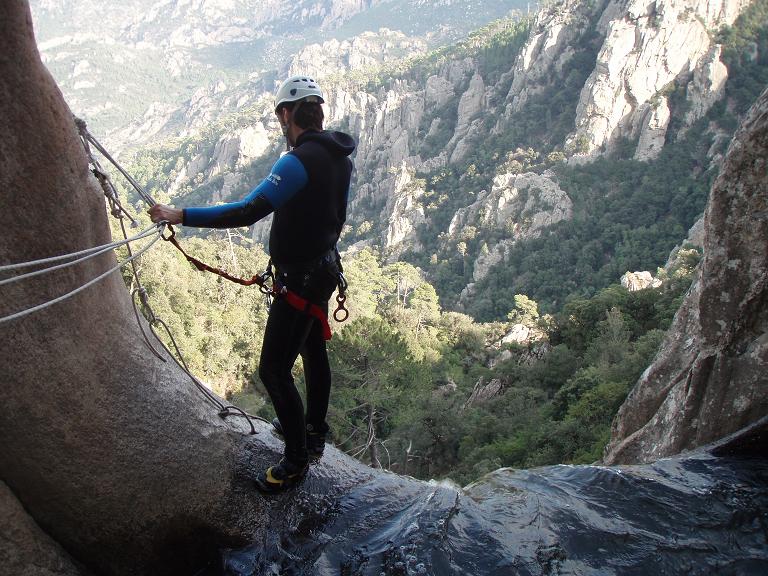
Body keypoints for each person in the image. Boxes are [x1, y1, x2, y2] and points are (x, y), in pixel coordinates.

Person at [149, 75, 355, 493]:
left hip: (300, 279)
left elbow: (247, 211)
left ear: (286, 114)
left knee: (274, 370)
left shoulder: (295, 162)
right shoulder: (340, 158)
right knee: (314, 352)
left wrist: (179, 214)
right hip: (324, 269)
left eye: (280, 115)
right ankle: (313, 430)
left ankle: (297, 459)